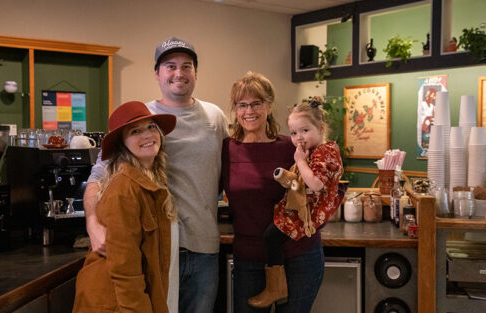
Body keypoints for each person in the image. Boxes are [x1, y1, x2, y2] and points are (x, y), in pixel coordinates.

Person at [84, 37, 229, 313]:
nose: (179, 73)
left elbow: (228, 173)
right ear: (157, 74)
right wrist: (92, 221)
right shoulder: (142, 118)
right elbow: (98, 177)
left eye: (187, 66)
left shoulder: (215, 117)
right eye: (170, 66)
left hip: (204, 246)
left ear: (195, 73)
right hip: (156, 249)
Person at [222, 72, 333, 313]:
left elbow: (322, 185)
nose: (248, 110)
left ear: (269, 106)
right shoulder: (228, 149)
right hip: (249, 258)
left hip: (298, 255)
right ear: (235, 109)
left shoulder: (291, 146)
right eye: (242, 105)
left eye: (256, 103)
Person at [72, 100, 177, 312]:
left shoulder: (150, 183)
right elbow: (125, 271)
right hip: (112, 303)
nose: (147, 135)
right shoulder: (124, 189)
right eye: (135, 131)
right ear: (122, 144)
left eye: (151, 127)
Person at [248, 97, 344, 308]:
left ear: (321, 127)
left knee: (271, 236)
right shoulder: (314, 151)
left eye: (304, 131)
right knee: (272, 236)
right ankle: (277, 286)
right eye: (293, 133)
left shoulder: (325, 153)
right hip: (301, 210)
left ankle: (275, 288)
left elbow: (316, 184)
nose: (298, 138)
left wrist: (300, 161)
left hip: (307, 216)